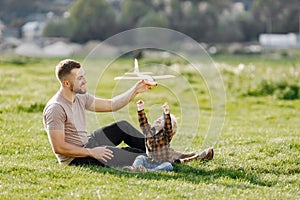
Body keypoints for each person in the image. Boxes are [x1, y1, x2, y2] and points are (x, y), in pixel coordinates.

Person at [43, 59, 157, 167]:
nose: (85, 81)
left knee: (122, 126)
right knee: (135, 155)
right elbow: (59, 147)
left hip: (87, 143)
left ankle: (164, 152)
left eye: (84, 76)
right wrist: (91, 152)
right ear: (66, 83)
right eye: (80, 78)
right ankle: (159, 157)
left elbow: (111, 104)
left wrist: (136, 89)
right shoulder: (56, 108)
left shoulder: (80, 97)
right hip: (76, 158)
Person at [124, 100, 214, 172]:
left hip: (161, 163)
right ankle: (134, 168)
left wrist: (166, 114)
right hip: (150, 161)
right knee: (140, 158)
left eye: (163, 120)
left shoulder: (165, 136)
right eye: (159, 118)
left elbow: (168, 129)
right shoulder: (149, 132)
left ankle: (149, 171)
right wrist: (140, 109)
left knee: (168, 166)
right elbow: (143, 123)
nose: (159, 119)